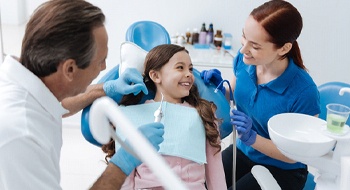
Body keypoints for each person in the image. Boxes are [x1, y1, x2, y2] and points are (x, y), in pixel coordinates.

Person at [0, 1, 164, 189]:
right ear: (70, 69)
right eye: (101, 61)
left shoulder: (26, 82)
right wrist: (125, 160)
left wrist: (107, 88)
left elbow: (55, 105)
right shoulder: (21, 135)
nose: (103, 67)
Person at [201, 1, 320, 189]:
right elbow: (232, 95)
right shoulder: (244, 60)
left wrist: (252, 137)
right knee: (199, 182)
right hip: (243, 152)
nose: (243, 50)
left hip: (282, 169)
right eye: (244, 37)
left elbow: (296, 155)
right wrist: (216, 88)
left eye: (255, 46)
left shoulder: (304, 92)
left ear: (283, 48)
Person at [101, 44, 227, 189]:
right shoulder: (131, 116)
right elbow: (126, 177)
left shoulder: (203, 114)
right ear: (155, 76)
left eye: (190, 69)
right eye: (180, 67)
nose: (189, 74)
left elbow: (215, 174)